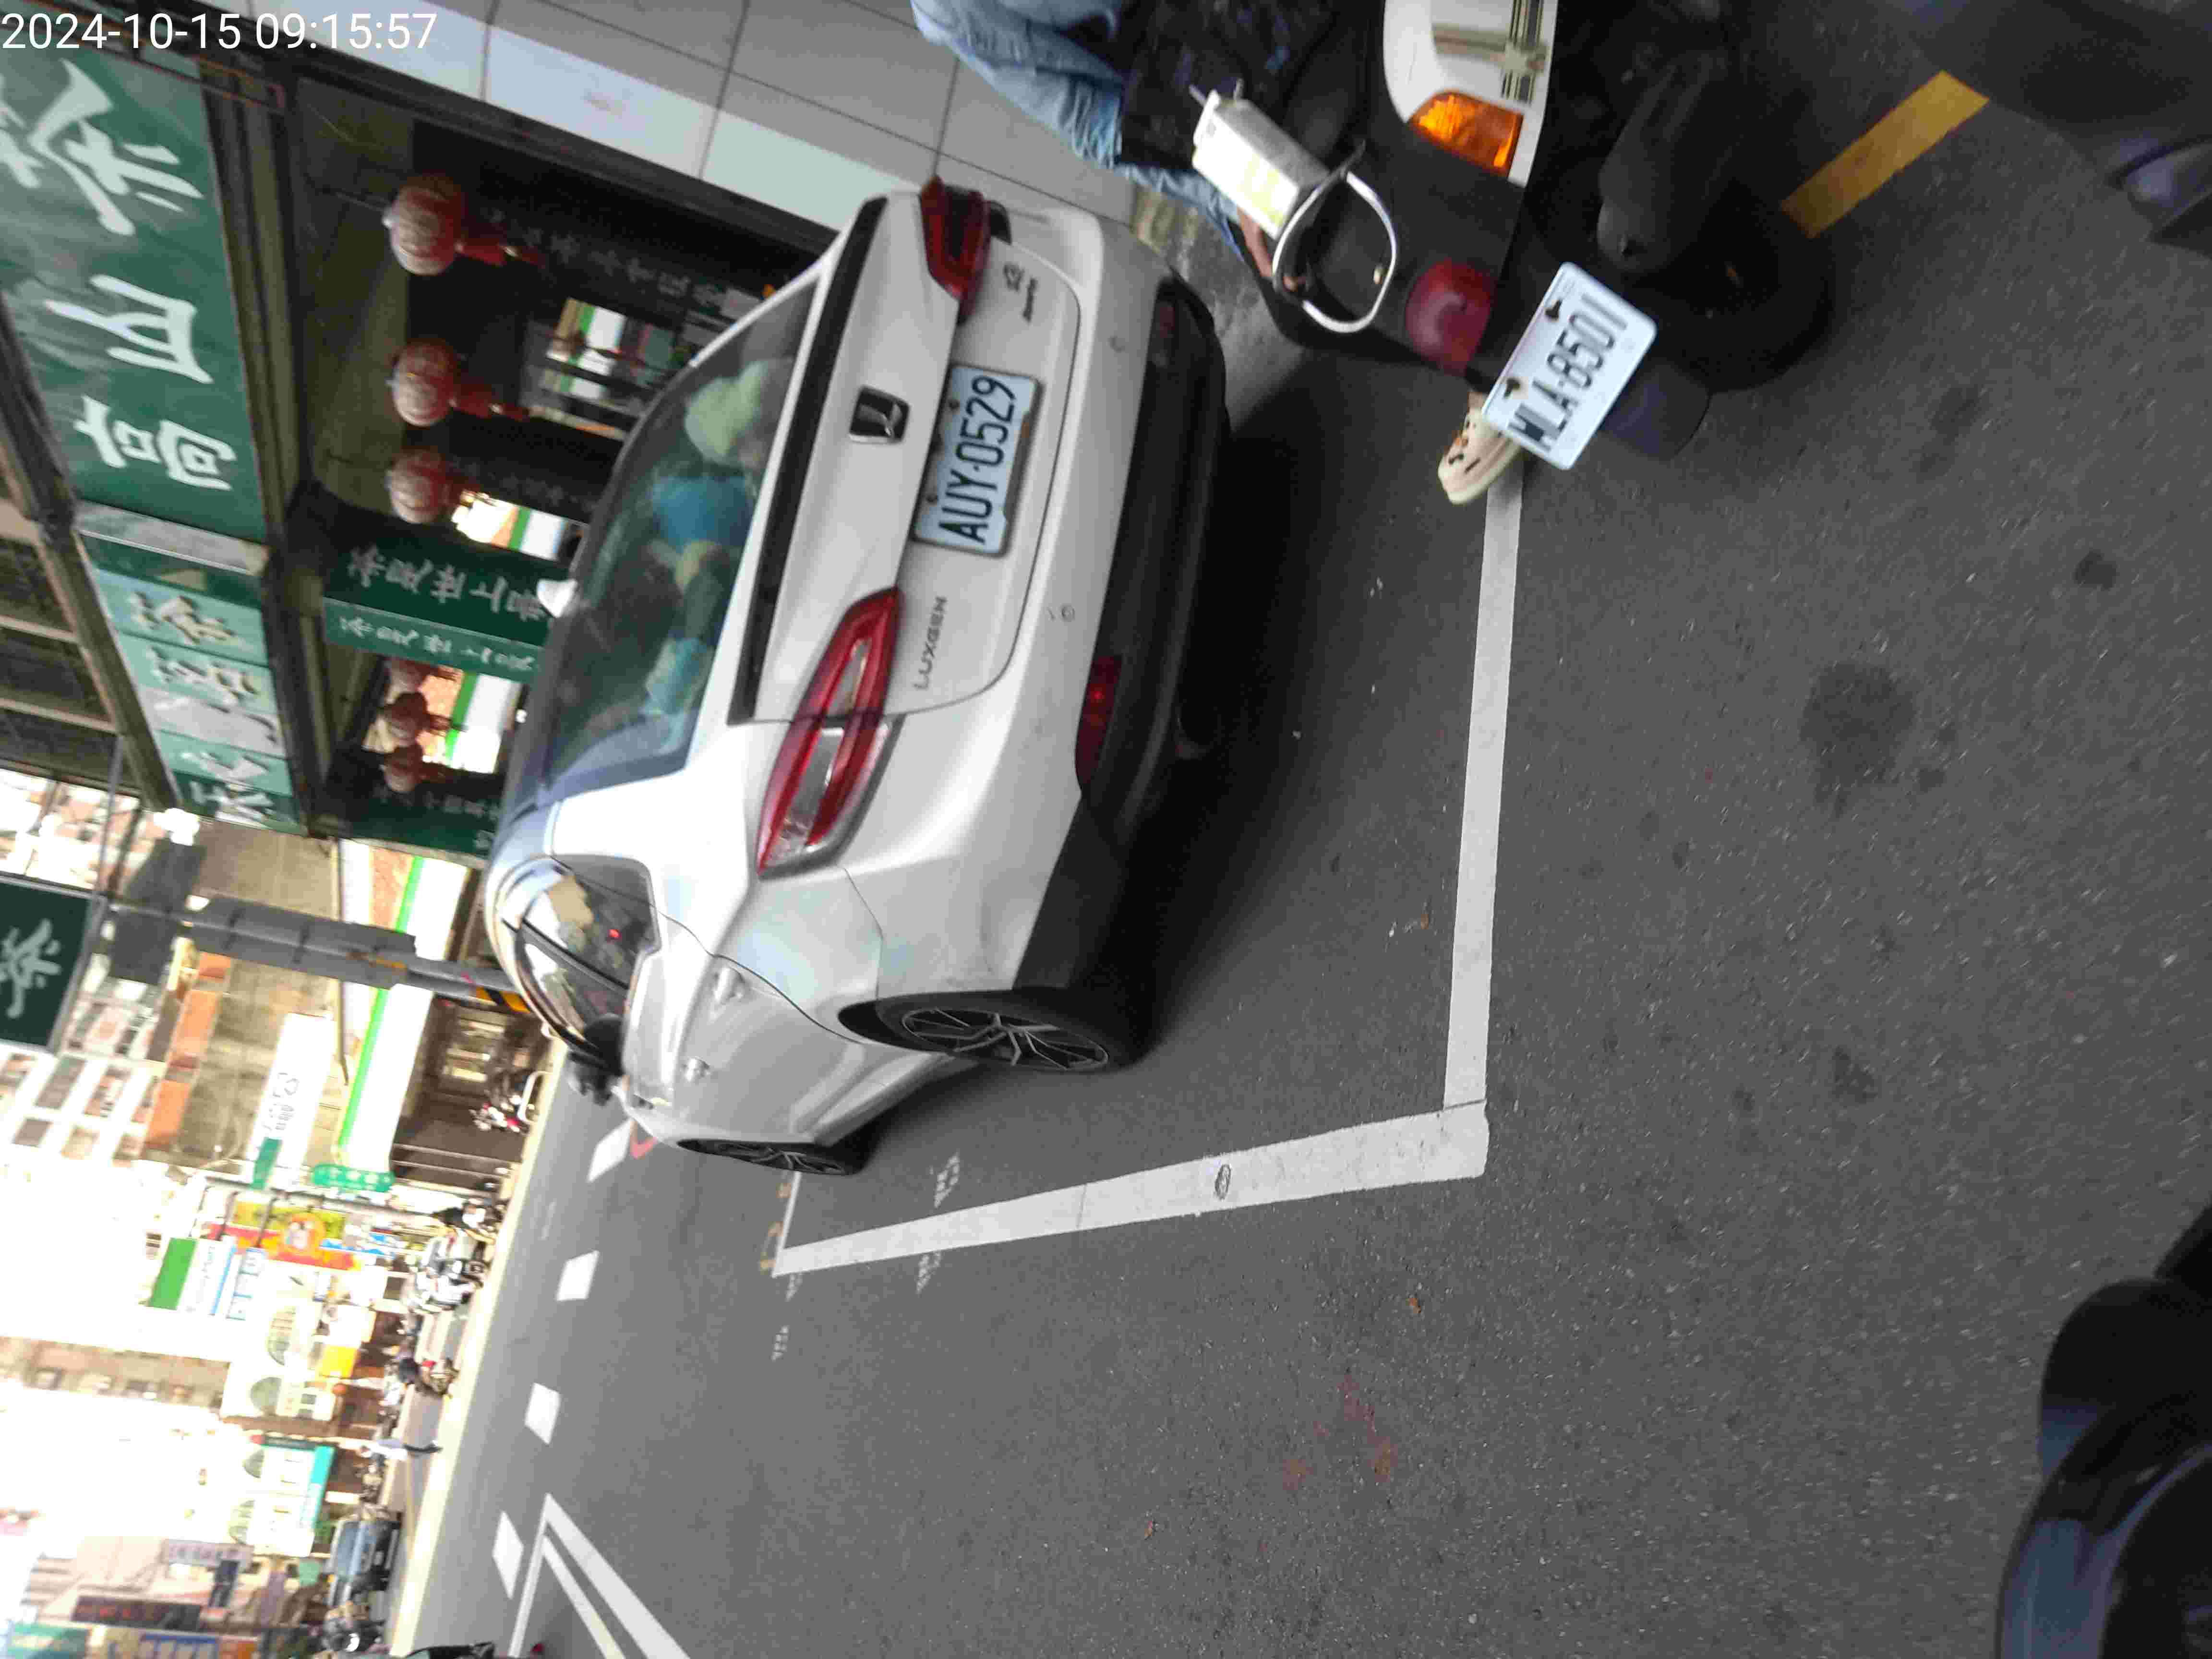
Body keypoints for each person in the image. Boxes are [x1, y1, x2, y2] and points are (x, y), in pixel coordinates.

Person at [912, 0, 1520, 507]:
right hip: (1216, 102)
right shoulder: (947, 11)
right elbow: (1093, 124)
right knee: (1307, 299)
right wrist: (1243, 189)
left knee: (1419, 78)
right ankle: (1498, 362)